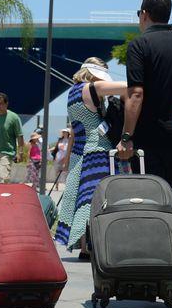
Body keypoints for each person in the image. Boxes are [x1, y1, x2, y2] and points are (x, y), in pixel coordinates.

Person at [116, 0, 172, 287]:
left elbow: (136, 93)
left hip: (149, 137)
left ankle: (152, 263)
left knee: (149, 200)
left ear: (144, 14)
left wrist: (126, 137)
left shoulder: (140, 45)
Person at [54, 59, 125, 254]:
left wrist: (67, 160)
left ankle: (84, 247)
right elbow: (129, 88)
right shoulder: (93, 87)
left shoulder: (73, 92)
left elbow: (74, 131)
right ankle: (99, 245)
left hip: (80, 150)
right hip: (98, 149)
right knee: (99, 198)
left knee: (82, 198)